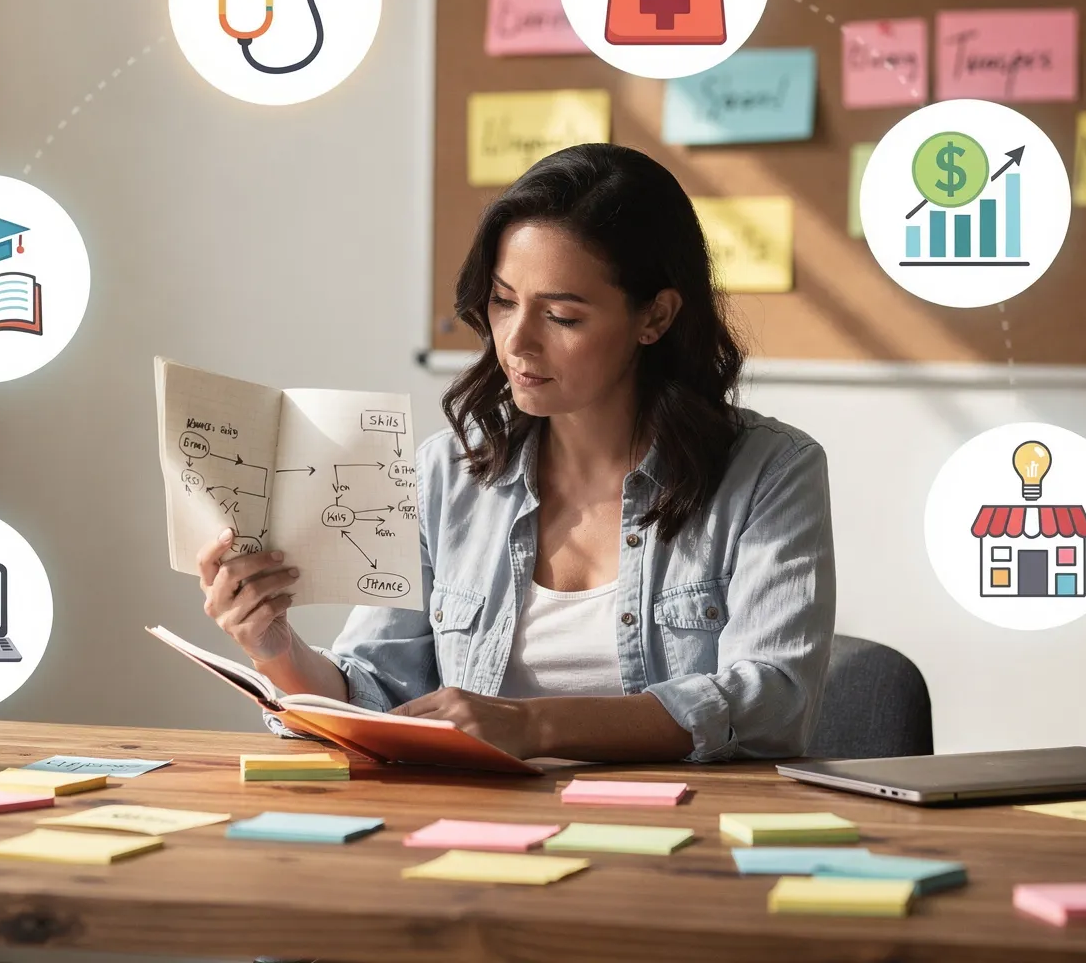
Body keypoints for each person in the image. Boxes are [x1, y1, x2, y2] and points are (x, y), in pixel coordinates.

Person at [195, 143, 835, 762]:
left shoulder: (770, 473)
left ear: (655, 317)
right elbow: (375, 694)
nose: (517, 342)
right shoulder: (445, 475)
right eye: (502, 302)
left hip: (681, 840)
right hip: (483, 842)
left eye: (562, 316)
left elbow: (772, 702)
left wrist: (535, 724)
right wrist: (274, 647)